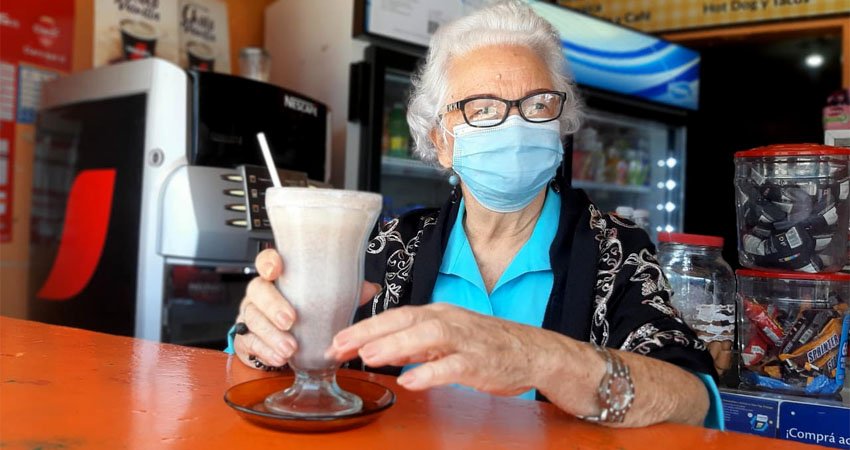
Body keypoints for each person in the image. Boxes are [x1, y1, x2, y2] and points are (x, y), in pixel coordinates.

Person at [225, 0, 722, 428]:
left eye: (537, 104)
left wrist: (539, 358)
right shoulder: (390, 246)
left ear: (559, 125)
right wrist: (265, 342)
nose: (514, 124)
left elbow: (693, 402)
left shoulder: (616, 249)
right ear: (441, 141)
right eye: (481, 109)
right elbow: (286, 376)